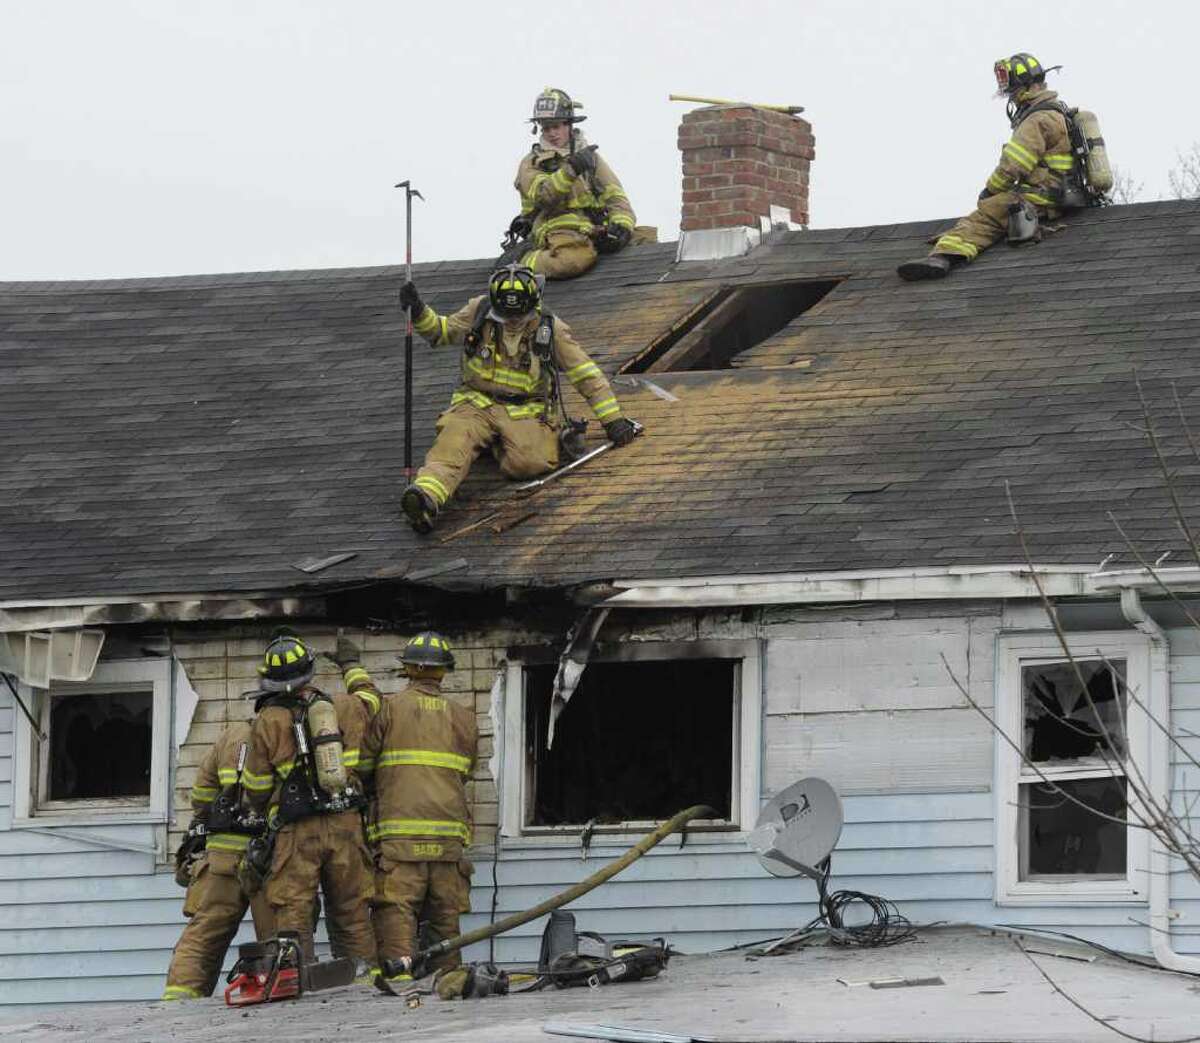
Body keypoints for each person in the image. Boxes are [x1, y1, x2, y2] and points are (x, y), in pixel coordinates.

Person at [397, 264, 639, 533]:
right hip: (476, 403)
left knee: (528, 463)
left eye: (518, 315)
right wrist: (418, 311)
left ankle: (494, 445)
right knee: (454, 439)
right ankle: (425, 497)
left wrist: (613, 420)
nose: (511, 321)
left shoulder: (551, 328)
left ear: (533, 303)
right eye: (505, 315)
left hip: (526, 412)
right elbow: (441, 332)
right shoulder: (479, 311)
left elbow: (585, 374)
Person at [239, 629, 375, 965]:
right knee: (352, 909)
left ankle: (297, 978)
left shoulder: (267, 719)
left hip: (297, 830)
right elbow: (373, 700)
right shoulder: (345, 706)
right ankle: (361, 977)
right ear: (309, 670)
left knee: (294, 909)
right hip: (346, 823)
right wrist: (351, 665)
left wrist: (263, 806)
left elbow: (256, 786)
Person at [898, 54, 1094, 281]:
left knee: (985, 216)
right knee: (995, 208)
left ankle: (942, 257)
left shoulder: (1037, 120)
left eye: (1012, 90)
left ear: (1024, 87)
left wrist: (991, 191)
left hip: (1041, 198)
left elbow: (1013, 165)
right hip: (1063, 196)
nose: (1011, 96)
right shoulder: (1058, 113)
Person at [351, 631, 478, 981]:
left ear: (409, 668)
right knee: (444, 920)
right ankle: (449, 985)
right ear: (444, 671)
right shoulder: (464, 717)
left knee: (396, 912)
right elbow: (465, 771)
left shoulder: (389, 710)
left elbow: (363, 767)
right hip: (448, 843)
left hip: (399, 840)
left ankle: (400, 985)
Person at [161, 721, 274, 1000]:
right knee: (277, 939)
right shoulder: (282, 733)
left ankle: (179, 1000)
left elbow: (200, 799)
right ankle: (279, 1000)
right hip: (268, 856)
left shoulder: (227, 739)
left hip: (221, 855)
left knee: (204, 936)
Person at [502, 88, 636, 280]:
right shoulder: (531, 163)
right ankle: (522, 262)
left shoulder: (591, 158)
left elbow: (616, 198)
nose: (551, 133)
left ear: (569, 125)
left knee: (647, 239)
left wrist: (621, 229)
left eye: (556, 126)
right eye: (546, 128)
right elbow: (544, 196)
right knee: (571, 262)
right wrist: (571, 169)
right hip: (556, 231)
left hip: (594, 230)